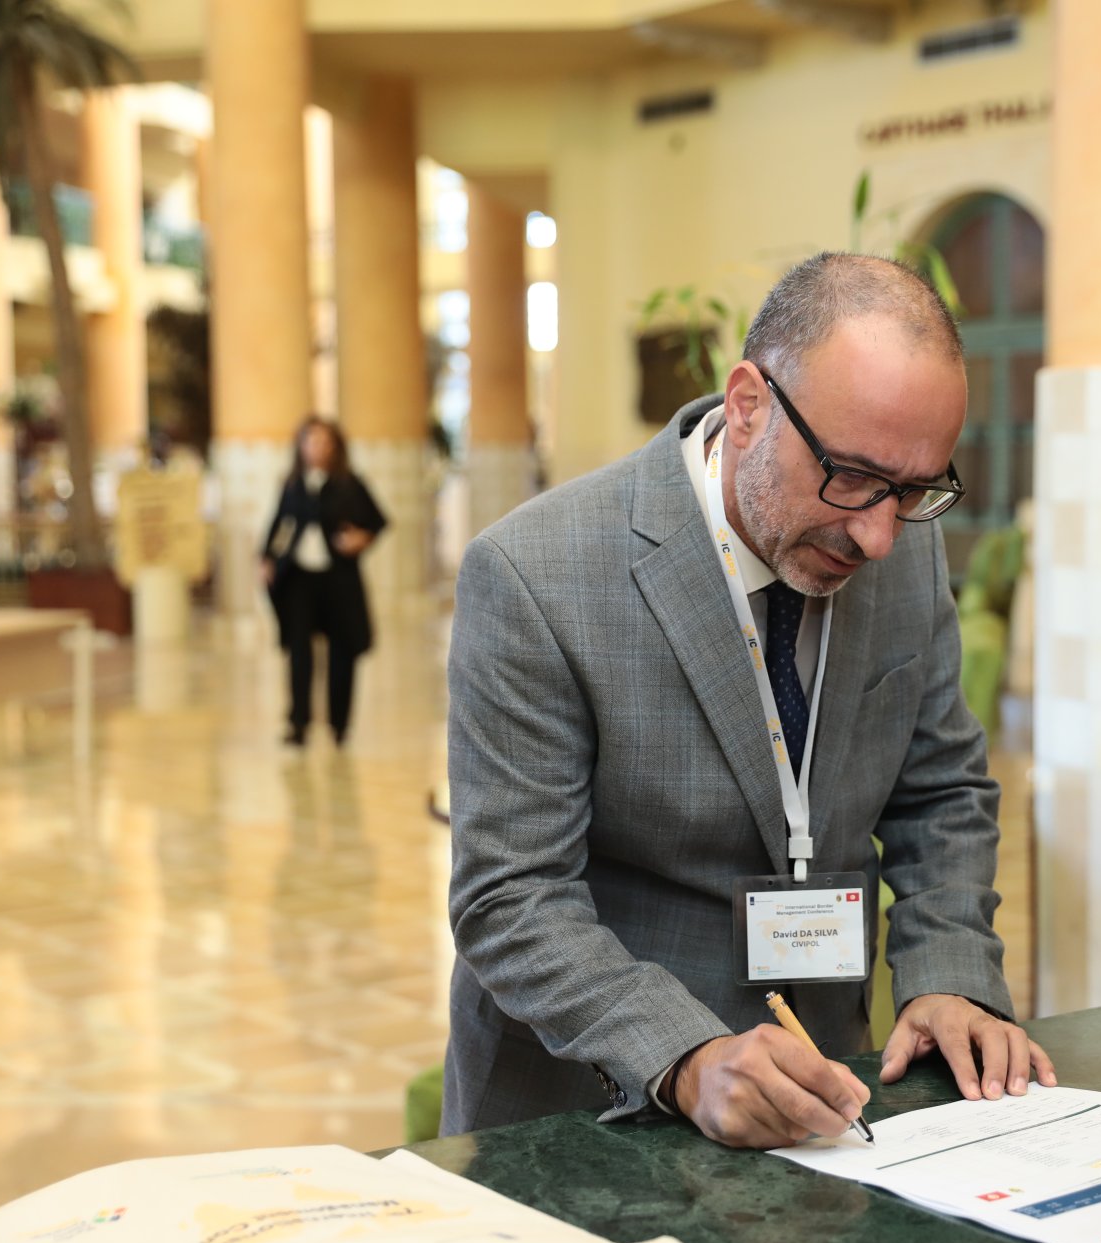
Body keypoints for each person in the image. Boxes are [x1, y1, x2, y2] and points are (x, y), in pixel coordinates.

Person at [443, 252, 1054, 1148]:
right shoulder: (535, 574)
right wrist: (686, 1057)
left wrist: (949, 973)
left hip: (824, 1101)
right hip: (592, 1116)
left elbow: (941, 790)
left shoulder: (902, 549)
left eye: (914, 490)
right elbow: (511, 897)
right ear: (747, 405)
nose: (878, 537)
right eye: (852, 477)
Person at [261, 416, 387, 748]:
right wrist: (267, 558)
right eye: (311, 440)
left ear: (335, 447)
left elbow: (378, 521)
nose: (317, 448)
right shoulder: (293, 483)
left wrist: (361, 538)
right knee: (299, 651)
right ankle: (298, 722)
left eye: (324, 441)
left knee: (342, 652)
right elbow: (278, 524)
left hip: (338, 579)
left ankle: (339, 725)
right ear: (301, 446)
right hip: (299, 578)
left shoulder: (350, 484)